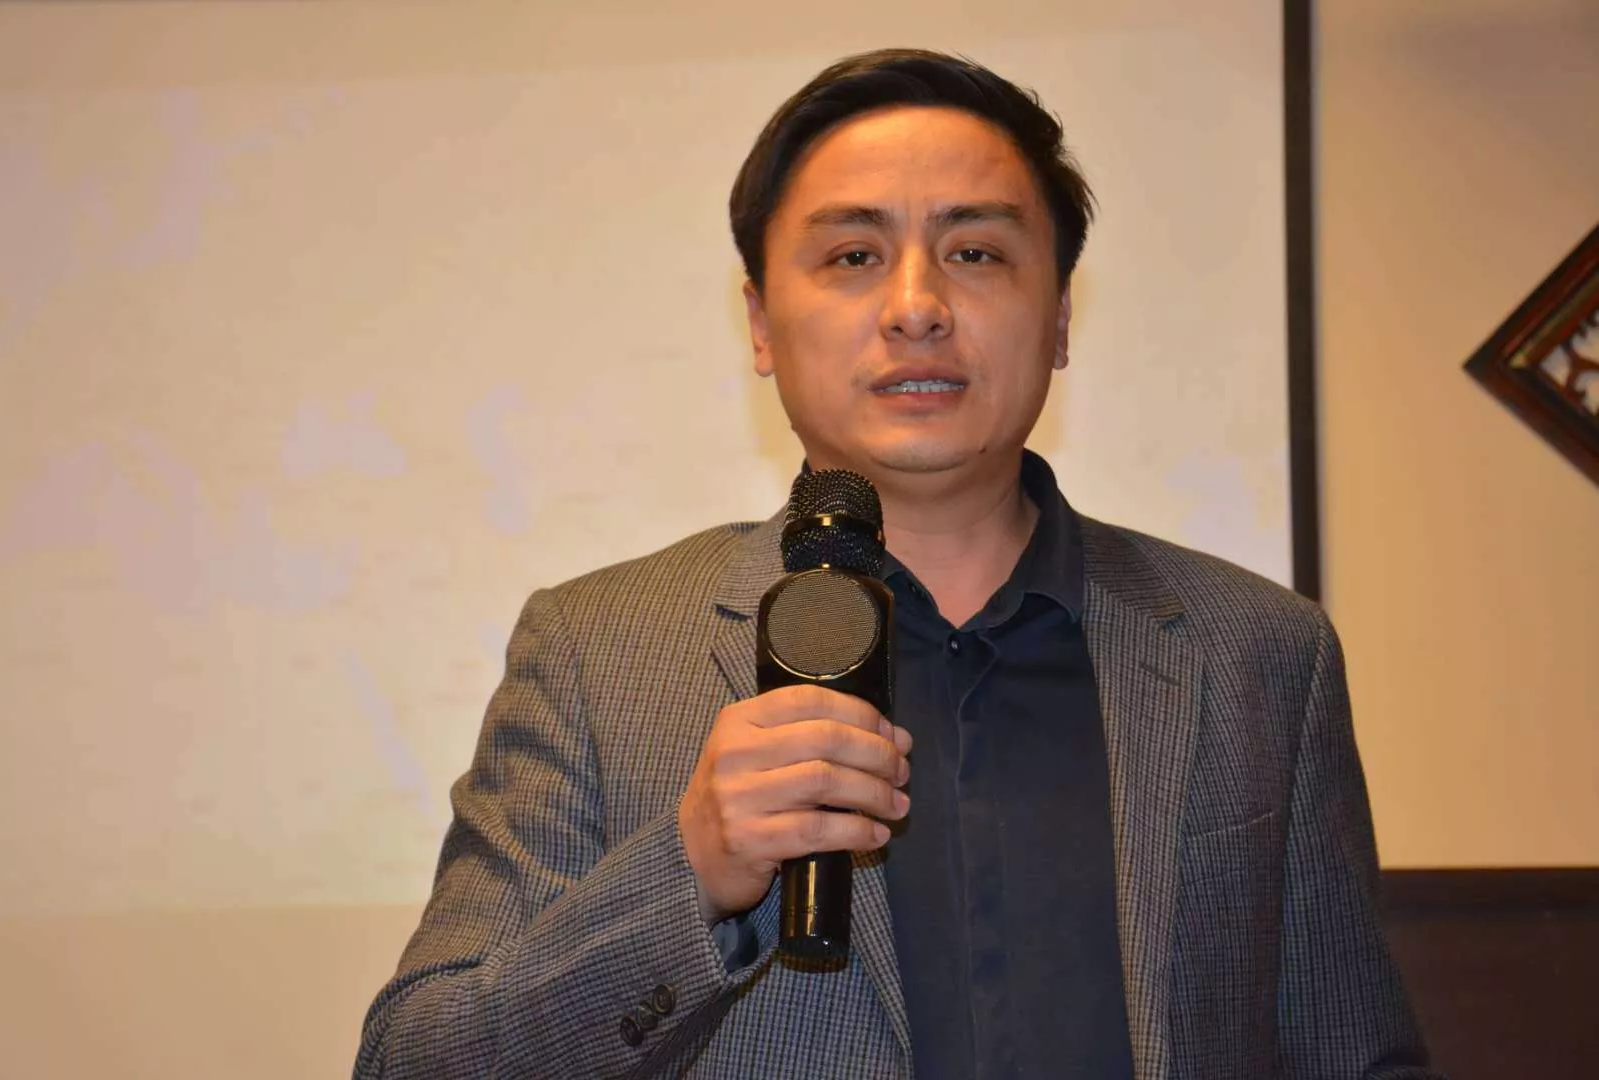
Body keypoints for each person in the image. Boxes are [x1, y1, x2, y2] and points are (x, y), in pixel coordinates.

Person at [354, 48, 1439, 1080]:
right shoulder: (595, 655)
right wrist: (687, 874)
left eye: (976, 253)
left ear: (1060, 317)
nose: (917, 307)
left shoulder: (1259, 652)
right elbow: (417, 1060)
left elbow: (1351, 1056)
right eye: (852, 257)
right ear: (761, 324)